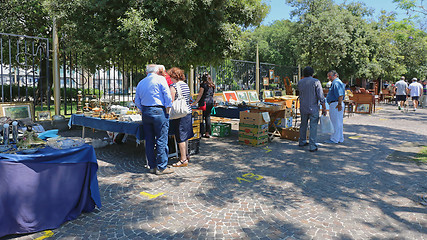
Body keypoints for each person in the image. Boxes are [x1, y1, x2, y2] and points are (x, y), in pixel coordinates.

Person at [134, 64, 174, 175]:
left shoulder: (141, 82)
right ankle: (161, 167)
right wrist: (167, 109)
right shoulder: (160, 79)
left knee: (149, 140)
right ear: (157, 71)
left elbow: (137, 100)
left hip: (146, 111)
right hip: (158, 110)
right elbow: (167, 96)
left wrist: (143, 109)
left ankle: (152, 166)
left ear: (147, 72)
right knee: (161, 139)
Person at [168, 67, 194, 167]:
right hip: (187, 111)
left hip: (179, 113)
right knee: (185, 135)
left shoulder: (173, 86)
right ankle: (186, 155)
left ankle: (183, 159)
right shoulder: (185, 85)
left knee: (180, 137)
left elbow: (171, 101)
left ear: (173, 76)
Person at [297, 66, 327, 152]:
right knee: (313, 126)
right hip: (313, 108)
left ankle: (302, 141)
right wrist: (324, 108)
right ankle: (312, 145)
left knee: (303, 125)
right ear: (312, 73)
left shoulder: (300, 82)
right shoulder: (316, 82)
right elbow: (321, 96)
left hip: (303, 107)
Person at [191, 72, 215, 138]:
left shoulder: (203, 85)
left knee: (201, 117)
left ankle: (201, 132)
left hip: (204, 103)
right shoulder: (212, 85)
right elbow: (213, 95)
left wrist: (195, 103)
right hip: (210, 102)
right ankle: (207, 133)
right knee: (207, 117)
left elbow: (200, 94)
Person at [325, 70, 345, 144]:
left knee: (335, 122)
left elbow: (340, 94)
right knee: (338, 122)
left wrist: (339, 104)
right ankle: (339, 138)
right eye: (328, 76)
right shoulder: (337, 82)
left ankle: (334, 139)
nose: (329, 78)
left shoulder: (336, 82)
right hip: (337, 103)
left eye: (330, 76)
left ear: (335, 75)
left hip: (335, 104)